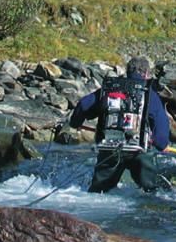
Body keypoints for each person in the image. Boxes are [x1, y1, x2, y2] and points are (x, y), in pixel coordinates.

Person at [70, 55, 170, 192]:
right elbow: (161, 129)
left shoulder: (110, 89)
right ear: (146, 73)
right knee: (151, 193)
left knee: (98, 193)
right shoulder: (149, 95)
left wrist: (75, 123)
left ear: (127, 71)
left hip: (109, 149)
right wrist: (162, 144)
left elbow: (83, 104)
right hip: (138, 152)